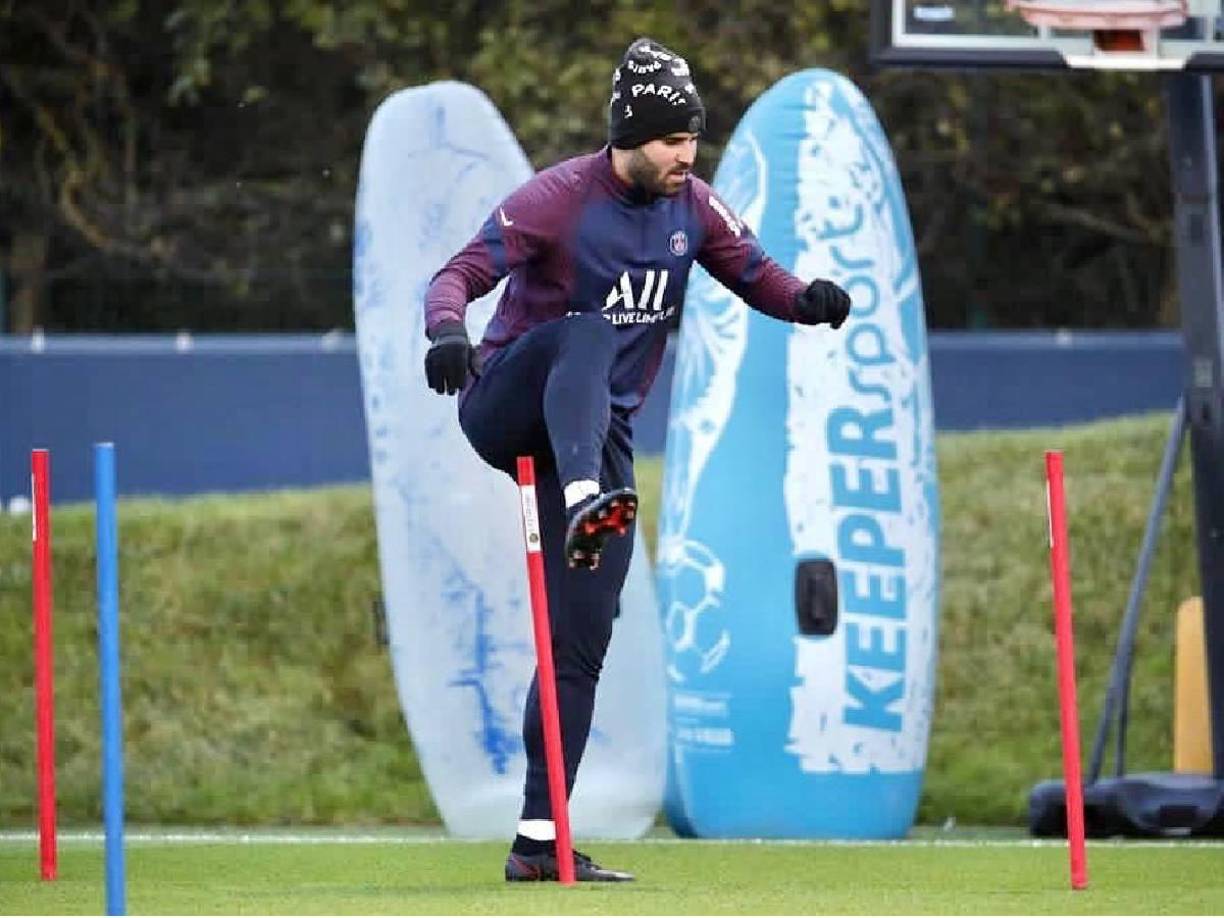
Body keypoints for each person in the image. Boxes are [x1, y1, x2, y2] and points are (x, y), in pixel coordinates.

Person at [422, 36, 851, 882]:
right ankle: (587, 495)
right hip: (508, 404)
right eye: (671, 141)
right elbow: (458, 273)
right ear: (628, 133)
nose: (687, 156)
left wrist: (808, 302)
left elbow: (757, 272)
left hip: (595, 439)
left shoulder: (695, 206)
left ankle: (539, 843)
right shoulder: (558, 200)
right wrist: (445, 333)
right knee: (588, 334)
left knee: (579, 646)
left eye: (694, 139)